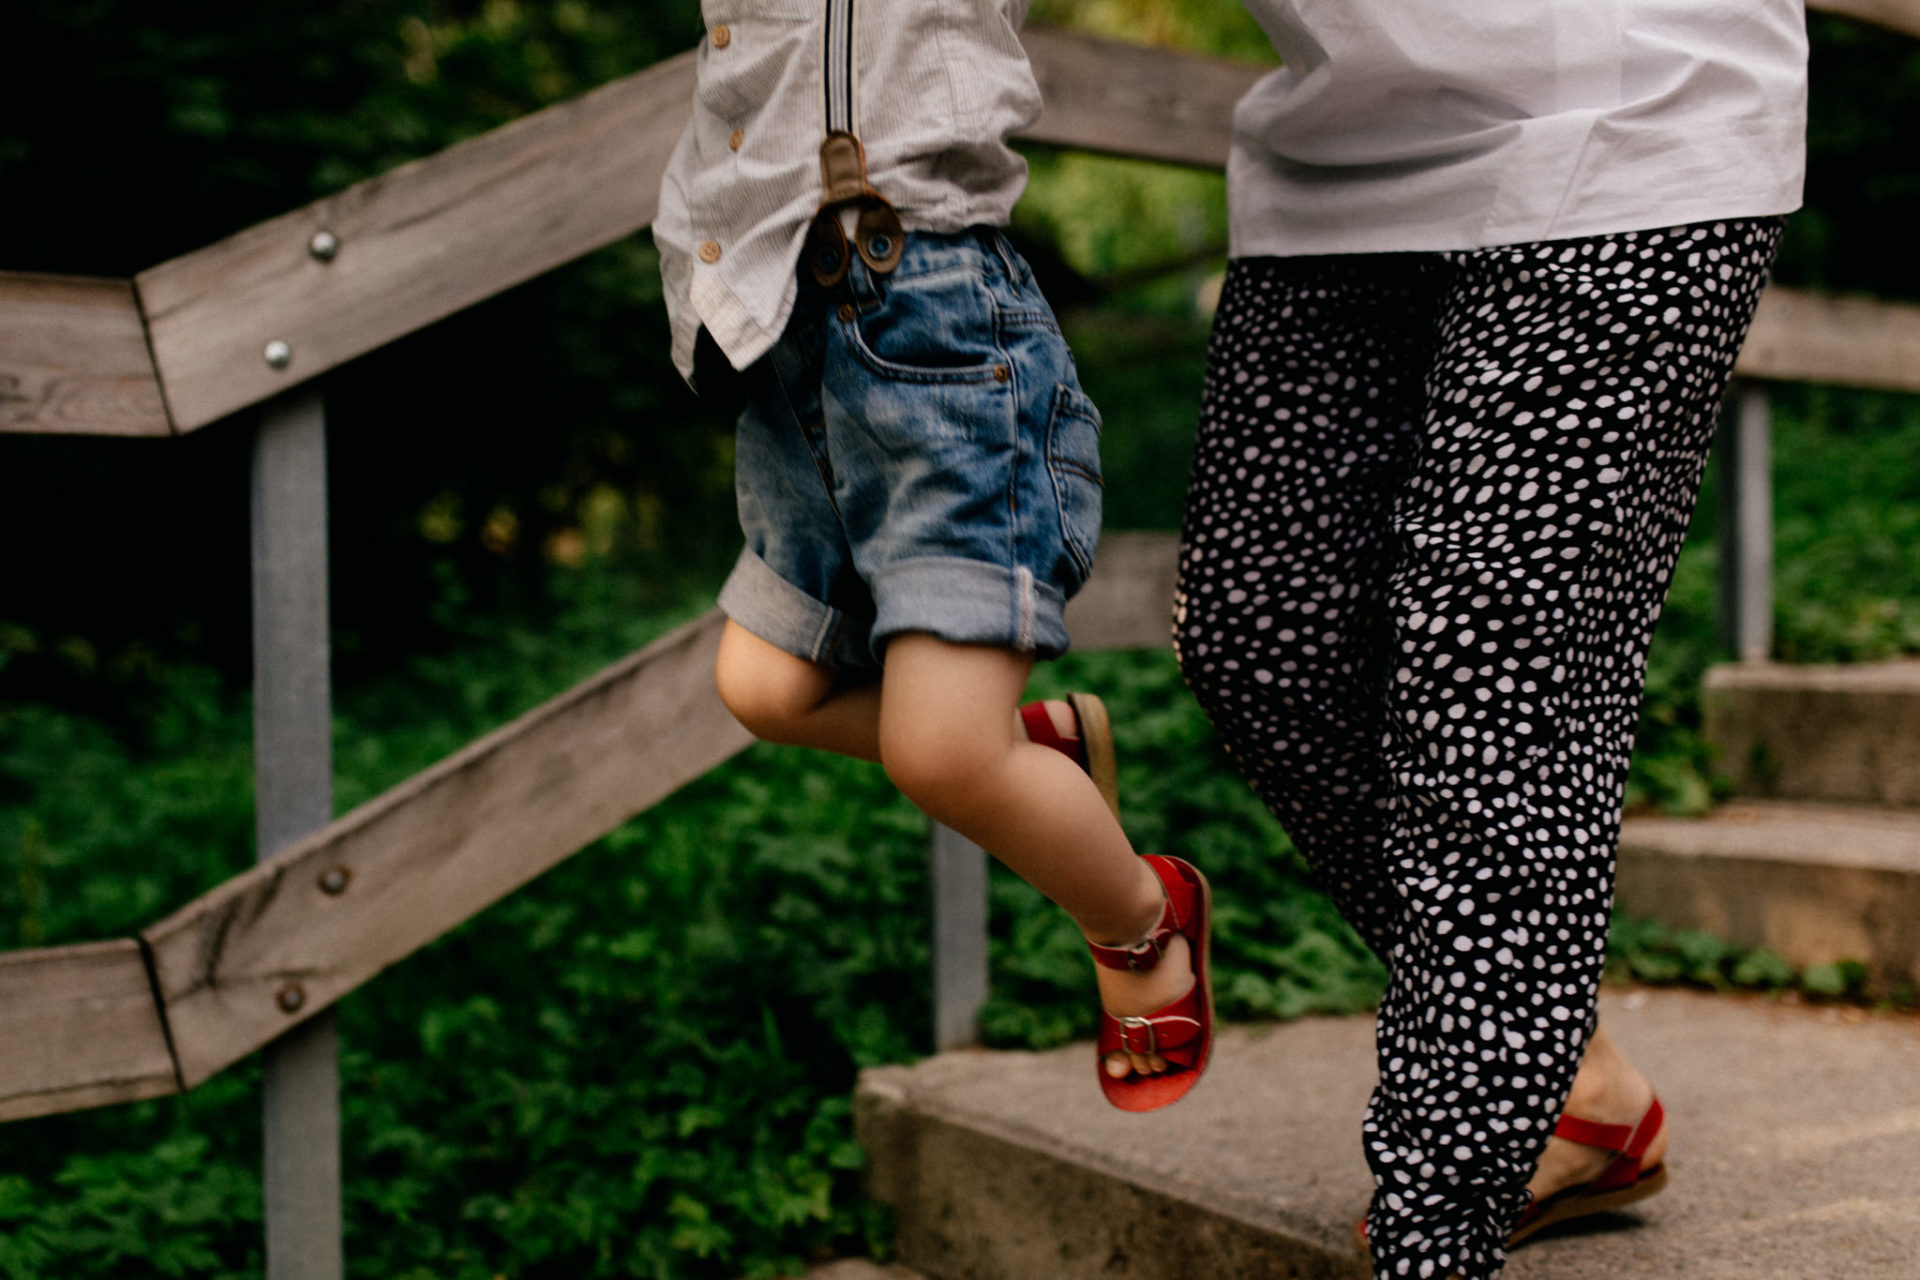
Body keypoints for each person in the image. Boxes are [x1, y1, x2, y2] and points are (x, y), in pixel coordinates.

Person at [1173, 2, 1806, 1277]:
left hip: (1634, 111)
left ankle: (1437, 1233)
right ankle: (1575, 1083)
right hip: (1336, 153)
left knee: (1488, 688)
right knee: (1258, 640)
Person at [652, 1, 1212, 1110]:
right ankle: (1021, 754)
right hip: (785, 347)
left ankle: (1143, 922)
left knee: (937, 754)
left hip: (940, 336)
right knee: (764, 686)